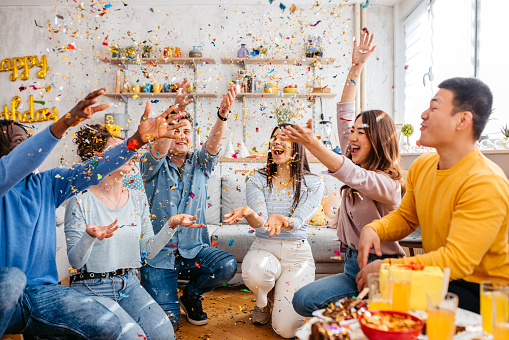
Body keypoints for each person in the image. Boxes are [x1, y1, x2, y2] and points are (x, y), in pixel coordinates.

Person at [0, 88, 187, 338]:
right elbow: (16, 164)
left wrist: (136, 141)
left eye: (27, 138)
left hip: (43, 293)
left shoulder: (48, 183)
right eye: (18, 141)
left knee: (110, 326)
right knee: (11, 280)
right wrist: (63, 124)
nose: (28, 146)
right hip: (7, 290)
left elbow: (95, 168)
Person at [356, 76, 509, 314]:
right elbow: (406, 218)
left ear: (462, 120)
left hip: (485, 294)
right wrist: (374, 228)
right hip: (441, 278)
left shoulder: (485, 182)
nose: (424, 114)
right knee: (371, 310)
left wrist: (388, 269)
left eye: (434, 107)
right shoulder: (423, 165)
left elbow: (457, 261)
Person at [284, 33, 406, 317]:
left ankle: (369, 310)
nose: (351, 136)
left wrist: (313, 144)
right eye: (352, 131)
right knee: (303, 300)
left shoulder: (386, 183)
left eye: (361, 133)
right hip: (352, 266)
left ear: (378, 141)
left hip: (383, 267)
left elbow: (349, 172)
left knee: (359, 320)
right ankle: (361, 308)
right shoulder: (356, 160)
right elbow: (344, 115)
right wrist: (356, 68)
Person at [65, 123, 206, 340]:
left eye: (128, 148)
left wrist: (171, 224)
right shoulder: (80, 200)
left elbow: (147, 251)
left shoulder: (137, 198)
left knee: (165, 335)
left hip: (129, 284)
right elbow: (75, 262)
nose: (129, 153)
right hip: (90, 288)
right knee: (134, 337)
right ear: (99, 158)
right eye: (119, 150)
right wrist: (89, 236)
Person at [139, 81, 238, 327]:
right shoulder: (152, 166)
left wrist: (222, 115)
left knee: (226, 265)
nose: (180, 136)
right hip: (158, 255)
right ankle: (164, 296)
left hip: (193, 251)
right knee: (167, 324)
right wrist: (173, 114)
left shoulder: (200, 164)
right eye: (175, 131)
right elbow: (158, 149)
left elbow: (213, 146)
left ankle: (191, 295)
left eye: (186, 132)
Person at [223, 124, 324, 338]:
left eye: (284, 138)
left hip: (298, 255)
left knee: (287, 331)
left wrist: (285, 221)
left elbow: (299, 220)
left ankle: (278, 292)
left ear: (296, 148)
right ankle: (263, 301)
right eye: (274, 138)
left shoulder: (313, 183)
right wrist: (249, 212)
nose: (276, 142)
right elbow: (260, 222)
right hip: (264, 248)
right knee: (256, 273)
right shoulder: (257, 178)